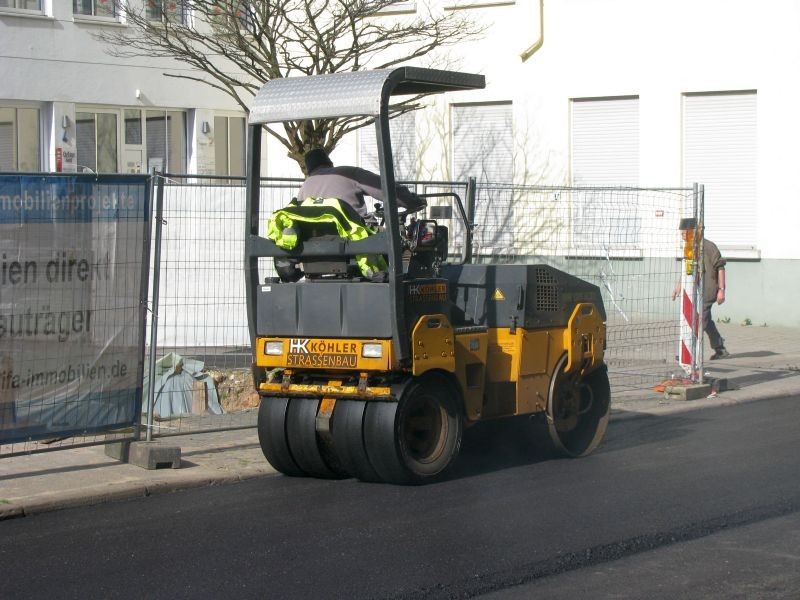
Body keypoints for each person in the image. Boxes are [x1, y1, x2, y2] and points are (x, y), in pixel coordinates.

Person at [297, 148, 426, 224]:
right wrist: (413, 201)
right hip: (358, 241)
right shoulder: (347, 173)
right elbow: (385, 189)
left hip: (318, 246)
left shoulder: (303, 189)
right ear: (330, 163)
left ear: (309, 170)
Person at [672, 225, 730, 359]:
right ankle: (720, 348)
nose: (682, 237)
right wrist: (679, 287)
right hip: (695, 290)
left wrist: (721, 290)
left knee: (699, 321)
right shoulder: (690, 248)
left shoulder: (709, 247)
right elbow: (687, 270)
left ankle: (689, 354)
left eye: (684, 234)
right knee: (706, 321)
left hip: (708, 290)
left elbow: (720, 268)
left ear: (692, 233)